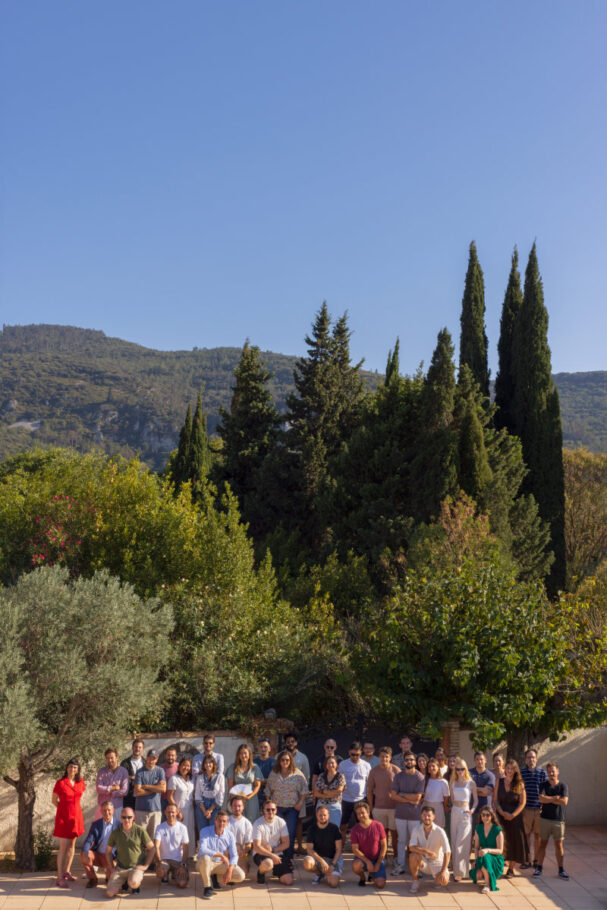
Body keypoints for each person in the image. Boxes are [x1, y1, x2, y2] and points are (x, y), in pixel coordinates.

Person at [265, 749, 307, 859]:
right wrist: (269, 805)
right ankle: (278, 857)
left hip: (291, 809)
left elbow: (304, 790)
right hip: (277, 808)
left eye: (287, 760)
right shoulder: (274, 773)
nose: (285, 762)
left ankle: (288, 859)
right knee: (277, 834)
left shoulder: (297, 774)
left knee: (290, 833)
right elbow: (268, 790)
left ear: (291, 761)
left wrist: (300, 803)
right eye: (282, 760)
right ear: (279, 761)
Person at [105, 805, 155, 897]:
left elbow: (152, 848)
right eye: (124, 817)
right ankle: (124, 882)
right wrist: (111, 867)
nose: (126, 820)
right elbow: (108, 851)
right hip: (120, 869)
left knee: (133, 882)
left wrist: (146, 866)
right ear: (120, 817)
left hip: (136, 868)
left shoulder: (140, 830)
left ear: (134, 817)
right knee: (109, 893)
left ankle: (132, 884)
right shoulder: (115, 833)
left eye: (129, 817)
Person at [52, 758, 86, 888]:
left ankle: (67, 871)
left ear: (78, 770)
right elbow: (54, 800)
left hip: (76, 818)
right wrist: (63, 809)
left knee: (72, 847)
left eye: (75, 767)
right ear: (67, 768)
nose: (73, 769)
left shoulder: (80, 782)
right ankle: (59, 877)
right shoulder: (60, 783)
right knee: (63, 848)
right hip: (64, 819)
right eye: (71, 767)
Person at [196, 810, 245, 899]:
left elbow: (234, 855)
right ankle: (207, 887)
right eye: (219, 820)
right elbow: (202, 849)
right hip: (204, 863)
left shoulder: (230, 835)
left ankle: (214, 877)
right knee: (206, 858)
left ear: (227, 822)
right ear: (215, 820)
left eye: (224, 821)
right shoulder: (205, 831)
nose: (221, 823)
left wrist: (230, 870)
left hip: (219, 864)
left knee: (240, 876)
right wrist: (221, 855)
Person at [389, 750, 424, 874]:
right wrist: (409, 798)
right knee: (401, 841)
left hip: (414, 815)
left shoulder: (420, 777)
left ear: (415, 761)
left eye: (411, 759)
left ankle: (417, 867)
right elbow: (393, 795)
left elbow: (417, 798)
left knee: (415, 842)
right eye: (407, 760)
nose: (409, 761)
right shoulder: (398, 776)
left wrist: (402, 795)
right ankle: (400, 865)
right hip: (400, 814)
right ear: (404, 762)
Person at [534, 762, 569, 880]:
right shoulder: (543, 785)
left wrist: (548, 799)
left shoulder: (563, 786)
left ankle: (561, 869)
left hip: (558, 821)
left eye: (553, 771)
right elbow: (541, 799)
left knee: (558, 845)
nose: (551, 773)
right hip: (544, 819)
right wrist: (555, 798)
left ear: (558, 772)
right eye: (549, 771)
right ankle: (539, 867)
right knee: (542, 844)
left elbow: (564, 802)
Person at [494, 759, 528, 877]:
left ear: (515, 770)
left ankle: (511, 869)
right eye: (507, 768)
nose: (509, 770)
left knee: (513, 842)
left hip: (515, 817)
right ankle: (498, 867)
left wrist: (513, 815)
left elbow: (522, 802)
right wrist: (502, 812)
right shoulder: (499, 780)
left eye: (512, 768)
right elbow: (495, 800)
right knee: (500, 842)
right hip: (501, 816)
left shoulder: (520, 783)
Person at [408, 805, 451, 894]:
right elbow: (411, 847)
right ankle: (415, 881)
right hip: (423, 861)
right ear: (421, 816)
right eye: (424, 815)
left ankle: (437, 879)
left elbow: (447, 852)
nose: (426, 818)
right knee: (412, 856)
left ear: (433, 817)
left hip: (437, 862)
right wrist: (426, 851)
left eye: (429, 815)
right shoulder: (416, 829)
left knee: (444, 881)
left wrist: (443, 871)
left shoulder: (440, 831)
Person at [366, 746, 398, 863]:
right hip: (378, 808)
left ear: (390, 758)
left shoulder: (396, 770)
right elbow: (369, 791)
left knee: (395, 835)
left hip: (394, 808)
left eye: (386, 757)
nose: (384, 759)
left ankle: (395, 857)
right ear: (379, 757)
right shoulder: (373, 771)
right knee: (381, 836)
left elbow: (400, 790)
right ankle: (382, 857)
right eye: (382, 756)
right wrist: (371, 807)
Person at [449, 758, 478, 881]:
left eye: (462, 769)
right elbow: (452, 799)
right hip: (455, 812)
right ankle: (457, 871)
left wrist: (472, 810)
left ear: (465, 769)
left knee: (463, 842)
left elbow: (476, 800)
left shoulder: (471, 783)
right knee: (455, 841)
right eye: (458, 769)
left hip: (466, 813)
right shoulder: (452, 783)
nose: (460, 771)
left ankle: (460, 872)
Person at [251, 800, 293, 886]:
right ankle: (261, 872)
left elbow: (286, 843)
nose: (270, 812)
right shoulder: (257, 824)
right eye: (268, 809)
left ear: (276, 810)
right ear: (263, 810)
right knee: (268, 863)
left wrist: (273, 851)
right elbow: (256, 847)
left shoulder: (281, 822)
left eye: (273, 809)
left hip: (276, 852)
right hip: (260, 853)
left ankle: (276, 871)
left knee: (288, 881)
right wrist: (271, 855)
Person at [80, 799, 119, 888]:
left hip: (111, 857)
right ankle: (93, 879)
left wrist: (117, 859)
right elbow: (88, 840)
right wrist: (85, 851)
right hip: (98, 855)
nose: (107, 812)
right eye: (104, 810)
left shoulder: (119, 825)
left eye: (109, 810)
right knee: (84, 855)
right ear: (101, 811)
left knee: (110, 879)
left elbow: (122, 845)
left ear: (113, 811)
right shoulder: (96, 824)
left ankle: (108, 877)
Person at [338, 741, 372, 842]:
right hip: (345, 799)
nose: (355, 756)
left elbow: (369, 784)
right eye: (352, 754)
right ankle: (342, 846)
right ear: (349, 753)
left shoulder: (366, 765)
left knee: (362, 824)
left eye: (357, 754)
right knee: (343, 825)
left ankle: (361, 846)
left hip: (361, 799)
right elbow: (339, 781)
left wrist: (369, 802)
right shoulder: (343, 764)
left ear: (361, 753)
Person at [303, 804, 343, 887]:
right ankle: (319, 873)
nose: (322, 817)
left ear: (328, 815)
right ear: (316, 816)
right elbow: (309, 849)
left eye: (324, 815)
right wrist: (322, 861)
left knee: (333, 884)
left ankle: (327, 873)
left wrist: (332, 864)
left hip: (331, 860)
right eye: (320, 815)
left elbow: (339, 849)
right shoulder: (311, 829)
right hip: (318, 859)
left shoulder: (334, 828)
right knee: (307, 862)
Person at [520, 748, 547, 868]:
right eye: (529, 757)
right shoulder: (521, 773)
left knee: (537, 836)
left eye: (533, 757)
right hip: (526, 809)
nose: (531, 759)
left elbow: (547, 790)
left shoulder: (542, 773)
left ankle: (536, 860)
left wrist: (544, 805)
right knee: (526, 836)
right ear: (526, 759)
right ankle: (527, 860)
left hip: (539, 809)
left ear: (537, 758)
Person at [350, 800, 387, 889]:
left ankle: (372, 874)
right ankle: (363, 877)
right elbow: (355, 850)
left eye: (362, 813)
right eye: (358, 814)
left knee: (380, 885)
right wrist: (368, 862)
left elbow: (384, 846)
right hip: (363, 860)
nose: (360, 815)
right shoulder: (354, 829)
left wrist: (378, 863)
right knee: (356, 865)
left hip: (377, 859)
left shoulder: (378, 825)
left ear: (368, 812)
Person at [284, 731, 310, 853]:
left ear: (296, 742)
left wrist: (303, 796)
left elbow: (306, 777)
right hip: (283, 795)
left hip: (299, 795)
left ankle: (299, 846)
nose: (290, 743)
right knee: (284, 822)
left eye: (292, 741)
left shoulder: (303, 757)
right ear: (285, 743)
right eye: (288, 741)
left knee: (299, 821)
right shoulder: (279, 756)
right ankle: (285, 846)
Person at [134, 749, 167, 841]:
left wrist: (146, 786)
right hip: (141, 810)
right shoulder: (140, 772)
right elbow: (137, 792)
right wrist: (155, 789)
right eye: (149, 758)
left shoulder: (160, 771)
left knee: (154, 839)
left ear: (157, 759)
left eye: (154, 758)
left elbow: (163, 789)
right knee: (140, 839)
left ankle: (152, 856)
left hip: (155, 811)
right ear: (146, 758)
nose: (151, 760)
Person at [154, 804, 189, 888]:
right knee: (160, 873)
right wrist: (159, 862)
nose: (170, 814)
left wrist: (183, 865)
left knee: (182, 884)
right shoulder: (160, 827)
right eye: (168, 812)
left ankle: (174, 873)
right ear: (165, 812)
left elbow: (185, 847)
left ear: (177, 812)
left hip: (178, 861)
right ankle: (165, 874)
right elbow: (156, 846)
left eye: (173, 812)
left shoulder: (182, 828)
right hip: (164, 861)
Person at [470, 806, 504, 893]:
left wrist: (487, 850)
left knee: (486, 857)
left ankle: (487, 885)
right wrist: (476, 860)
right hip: (482, 855)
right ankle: (486, 875)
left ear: (492, 816)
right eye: (483, 815)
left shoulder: (497, 830)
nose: (485, 817)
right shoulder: (478, 828)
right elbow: (477, 847)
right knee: (477, 875)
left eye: (487, 815)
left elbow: (500, 851)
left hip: (495, 858)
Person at [166, 756, 196, 857]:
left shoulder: (191, 779)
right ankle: (178, 855)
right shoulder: (174, 779)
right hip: (179, 809)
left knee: (189, 831)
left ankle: (189, 855)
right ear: (179, 767)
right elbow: (169, 796)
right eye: (184, 765)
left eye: (188, 766)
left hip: (190, 809)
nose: (185, 768)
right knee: (178, 833)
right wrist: (177, 811)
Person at [226, 743, 262, 823]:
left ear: (249, 754)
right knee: (237, 821)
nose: (243, 755)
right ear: (238, 755)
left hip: (251, 798)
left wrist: (250, 796)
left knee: (251, 821)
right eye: (241, 753)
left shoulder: (255, 768)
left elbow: (257, 785)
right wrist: (235, 798)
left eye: (245, 753)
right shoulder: (232, 767)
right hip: (236, 799)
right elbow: (230, 786)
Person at [95, 748, 129, 819]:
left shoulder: (123, 772)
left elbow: (124, 791)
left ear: (117, 757)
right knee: (101, 829)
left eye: (111, 758)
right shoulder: (102, 771)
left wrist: (111, 793)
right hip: (102, 808)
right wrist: (113, 788)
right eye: (107, 758)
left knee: (117, 829)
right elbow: (98, 788)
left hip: (117, 808)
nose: (110, 760)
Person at [313, 755, 346, 827]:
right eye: (328, 763)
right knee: (321, 828)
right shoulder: (321, 776)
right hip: (321, 805)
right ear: (325, 765)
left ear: (336, 764)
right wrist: (331, 793)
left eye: (332, 763)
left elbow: (338, 792)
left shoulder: (340, 776)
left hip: (335, 806)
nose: (330, 765)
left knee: (335, 828)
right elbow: (316, 793)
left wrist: (323, 791)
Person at [195, 754, 225, 831]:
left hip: (215, 806)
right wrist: (205, 811)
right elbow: (197, 794)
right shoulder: (200, 777)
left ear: (213, 764)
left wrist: (210, 810)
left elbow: (221, 795)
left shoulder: (220, 777)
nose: (208, 765)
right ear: (203, 765)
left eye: (210, 762)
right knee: (202, 831)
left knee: (215, 830)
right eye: (206, 763)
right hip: (202, 806)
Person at [228, 795, 253, 875]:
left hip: (241, 854)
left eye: (239, 806)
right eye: (234, 806)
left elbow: (249, 845)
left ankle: (245, 864)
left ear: (243, 807)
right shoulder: (225, 821)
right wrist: (235, 846)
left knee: (242, 873)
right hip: (227, 853)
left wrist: (243, 851)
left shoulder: (247, 823)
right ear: (231, 807)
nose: (237, 808)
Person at [423, 757, 450, 827]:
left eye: (433, 766)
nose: (431, 768)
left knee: (438, 829)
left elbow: (446, 797)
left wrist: (444, 807)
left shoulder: (443, 782)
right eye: (429, 766)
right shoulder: (424, 780)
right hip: (426, 807)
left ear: (438, 767)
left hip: (438, 808)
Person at [470, 752, 495, 826]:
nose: (479, 761)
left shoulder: (490, 775)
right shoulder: (469, 773)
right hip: (471, 809)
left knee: (483, 835)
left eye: (481, 759)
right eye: (477, 759)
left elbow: (486, 793)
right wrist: (481, 789)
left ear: (485, 760)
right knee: (471, 835)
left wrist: (472, 790)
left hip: (484, 811)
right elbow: (466, 788)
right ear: (474, 760)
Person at [121, 738, 145, 811]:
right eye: (136, 747)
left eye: (140, 747)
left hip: (142, 797)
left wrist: (133, 777)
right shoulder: (124, 763)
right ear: (132, 747)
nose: (137, 749)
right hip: (128, 797)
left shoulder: (146, 763)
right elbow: (122, 779)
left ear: (142, 749)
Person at [254, 738, 274, 808]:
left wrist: (259, 781)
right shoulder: (253, 762)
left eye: (265, 747)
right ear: (258, 749)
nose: (263, 749)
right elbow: (251, 779)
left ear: (269, 749)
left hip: (270, 795)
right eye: (261, 747)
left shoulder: (274, 762)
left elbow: (274, 780)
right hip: (255, 795)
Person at [160, 747, 180, 816]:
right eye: (168, 755)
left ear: (176, 756)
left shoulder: (180, 767)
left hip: (177, 799)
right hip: (164, 800)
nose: (170, 757)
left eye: (172, 755)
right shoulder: (160, 769)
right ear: (165, 756)